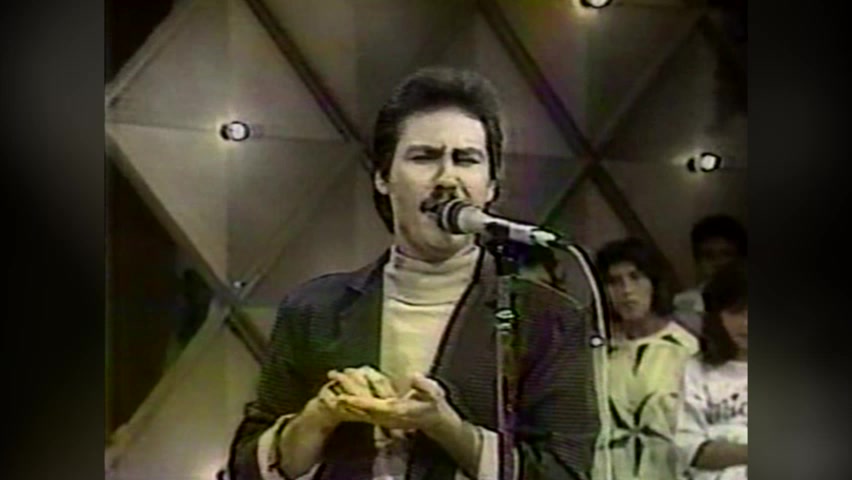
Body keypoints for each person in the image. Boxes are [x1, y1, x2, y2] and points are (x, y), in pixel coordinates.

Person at [227, 67, 601, 480]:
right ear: (383, 178)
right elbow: (245, 468)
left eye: (466, 159)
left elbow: (566, 472)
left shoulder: (549, 320)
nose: (447, 179)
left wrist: (449, 429)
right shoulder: (314, 310)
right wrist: (318, 416)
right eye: (424, 157)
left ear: (491, 186)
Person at [595, 238, 699, 480]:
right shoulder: (597, 353)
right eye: (614, 282)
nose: (626, 290)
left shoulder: (687, 349)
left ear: (654, 282)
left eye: (635, 277)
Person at [675, 262, 748, 480]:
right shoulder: (696, 369)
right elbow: (691, 451)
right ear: (717, 316)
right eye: (736, 312)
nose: (747, 323)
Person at [674, 215, 747, 316]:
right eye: (708, 256)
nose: (718, 262)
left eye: (727, 254)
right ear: (698, 262)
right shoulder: (685, 302)